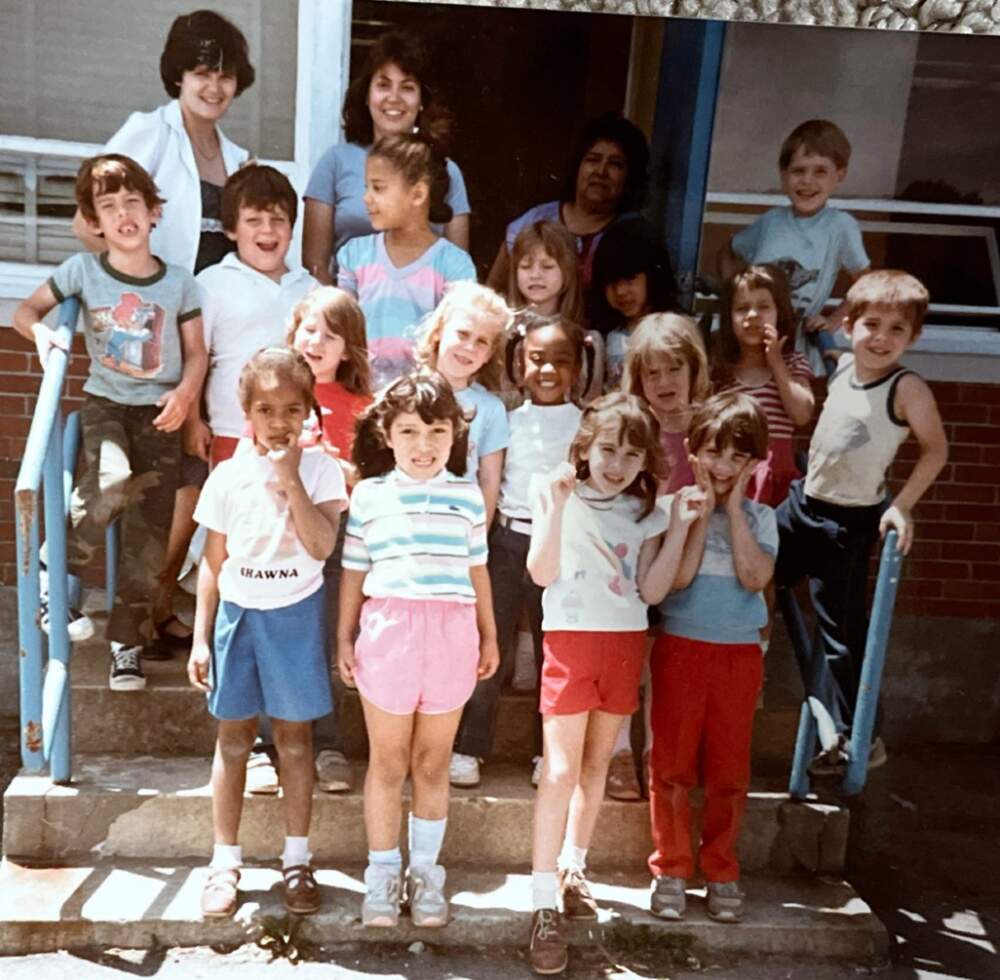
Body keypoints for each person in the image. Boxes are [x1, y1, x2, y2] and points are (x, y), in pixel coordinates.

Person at [72, 10, 256, 654]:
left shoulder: (237, 158)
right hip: (154, 344)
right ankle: (136, 605)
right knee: (161, 477)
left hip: (209, 336)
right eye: (203, 71)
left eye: (226, 74)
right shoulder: (146, 132)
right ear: (178, 73)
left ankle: (155, 602)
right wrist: (125, 304)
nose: (214, 85)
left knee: (194, 475)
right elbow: (90, 221)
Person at [14, 154, 207, 689]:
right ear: (94, 221)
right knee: (110, 483)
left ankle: (127, 643)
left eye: (133, 203)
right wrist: (43, 335)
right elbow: (25, 312)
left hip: (161, 413)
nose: (123, 214)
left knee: (149, 536)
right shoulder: (83, 271)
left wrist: (187, 395)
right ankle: (56, 572)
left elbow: (196, 353)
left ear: (153, 213)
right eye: (108, 206)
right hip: (106, 404)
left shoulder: (180, 284)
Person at [525, 393, 696, 976]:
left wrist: (678, 528)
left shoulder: (646, 510)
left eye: (630, 453)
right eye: (606, 449)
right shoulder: (559, 495)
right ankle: (541, 901)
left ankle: (575, 867)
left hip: (623, 642)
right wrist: (552, 506)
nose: (617, 464)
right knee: (560, 770)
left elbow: (651, 592)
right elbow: (541, 572)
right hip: (571, 640)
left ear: (645, 458)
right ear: (584, 449)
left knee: (597, 766)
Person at [187, 347, 346, 919]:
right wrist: (202, 636)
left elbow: (322, 545)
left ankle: (297, 860)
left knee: (296, 741)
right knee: (232, 741)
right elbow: (213, 561)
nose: (279, 422)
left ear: (309, 410)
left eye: (291, 409)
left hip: (295, 614)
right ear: (246, 412)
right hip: (240, 615)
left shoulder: (322, 469)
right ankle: (224, 861)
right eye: (265, 409)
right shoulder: (228, 475)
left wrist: (291, 478)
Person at [338, 372, 499, 929]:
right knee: (387, 762)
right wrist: (344, 634)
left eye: (436, 430)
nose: (424, 445)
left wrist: (490, 632)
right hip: (388, 633)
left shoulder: (468, 496)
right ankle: (382, 873)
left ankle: (426, 872)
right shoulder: (369, 495)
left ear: (456, 433)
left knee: (432, 763)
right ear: (386, 433)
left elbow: (477, 568)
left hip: (452, 635)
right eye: (409, 431)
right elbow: (355, 570)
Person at [775, 270, 947, 775]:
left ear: (913, 338)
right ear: (849, 325)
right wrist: (819, 327)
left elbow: (936, 449)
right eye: (871, 324)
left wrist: (903, 504)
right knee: (754, 567)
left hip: (847, 523)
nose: (882, 338)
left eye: (898, 330)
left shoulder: (906, 387)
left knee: (840, 634)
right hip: (802, 505)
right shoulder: (843, 364)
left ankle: (862, 736)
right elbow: (826, 342)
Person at [450, 313, 593, 790]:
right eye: (537, 360)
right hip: (508, 541)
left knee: (555, 650)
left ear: (578, 367)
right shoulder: (508, 419)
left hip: (561, 545)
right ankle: (469, 746)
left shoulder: (585, 425)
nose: (548, 370)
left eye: (561, 361)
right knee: (492, 644)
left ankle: (545, 750)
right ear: (518, 362)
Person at [648, 391, 775, 925]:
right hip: (681, 648)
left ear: (752, 464)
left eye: (737, 457)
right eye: (714, 453)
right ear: (694, 453)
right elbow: (678, 579)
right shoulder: (675, 508)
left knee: (728, 768)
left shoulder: (763, 517)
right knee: (672, 765)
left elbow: (754, 578)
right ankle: (671, 869)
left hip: (738, 656)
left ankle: (721, 869)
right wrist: (701, 512)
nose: (724, 466)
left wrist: (735, 509)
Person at [602, 313, 710, 802]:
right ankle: (621, 749)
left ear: (694, 370)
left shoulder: (707, 427)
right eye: (652, 373)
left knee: (669, 662)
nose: (664, 383)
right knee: (631, 654)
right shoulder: (633, 426)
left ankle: (658, 753)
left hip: (691, 556)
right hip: (635, 553)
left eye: (674, 370)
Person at [287, 287, 373, 794]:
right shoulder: (276, 389)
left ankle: (329, 744)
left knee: (328, 640)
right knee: (273, 635)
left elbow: (371, 477)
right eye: (308, 329)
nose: (316, 341)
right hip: (279, 535)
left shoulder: (362, 405)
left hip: (337, 537)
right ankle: (263, 746)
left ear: (349, 349)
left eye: (331, 335)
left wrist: (333, 466)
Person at [303, 30, 471, 283]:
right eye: (383, 85)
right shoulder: (335, 161)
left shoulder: (444, 170)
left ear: (422, 101)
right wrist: (341, 317)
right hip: (348, 311)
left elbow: (458, 272)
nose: (394, 98)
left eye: (407, 87)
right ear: (367, 95)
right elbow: (315, 264)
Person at [718, 119, 870, 373]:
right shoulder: (770, 221)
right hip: (751, 343)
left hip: (798, 350)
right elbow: (727, 252)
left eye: (820, 171)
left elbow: (865, 284)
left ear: (839, 174)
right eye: (798, 171)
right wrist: (736, 295)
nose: (807, 181)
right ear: (783, 175)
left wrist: (832, 321)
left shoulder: (841, 226)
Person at [196, 165, 317, 470]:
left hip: (298, 438)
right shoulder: (212, 283)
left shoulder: (310, 289)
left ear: (292, 228)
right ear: (231, 229)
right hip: (233, 434)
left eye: (278, 220)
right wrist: (190, 421)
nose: (267, 230)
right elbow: (193, 358)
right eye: (254, 221)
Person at [337, 132, 476, 391]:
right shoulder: (354, 255)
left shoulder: (454, 265)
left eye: (378, 188)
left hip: (423, 404)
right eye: (366, 187)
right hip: (361, 398)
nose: (366, 198)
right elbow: (341, 330)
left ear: (417, 194)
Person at [488, 113, 649, 307]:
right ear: (577, 166)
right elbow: (492, 292)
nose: (601, 172)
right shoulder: (535, 220)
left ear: (629, 177)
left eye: (615, 164)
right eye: (593, 160)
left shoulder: (633, 234)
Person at [712, 265, 814, 507]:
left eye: (764, 307)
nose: (752, 315)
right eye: (742, 308)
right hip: (730, 472)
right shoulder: (720, 370)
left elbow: (801, 414)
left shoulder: (792, 363)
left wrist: (776, 362)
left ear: (781, 312)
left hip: (776, 475)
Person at [414, 282, 511, 526]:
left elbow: (489, 481)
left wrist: (479, 544)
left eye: (482, 342)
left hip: (459, 526)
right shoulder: (406, 394)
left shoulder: (491, 409)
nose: (470, 347)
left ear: (490, 354)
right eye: (463, 334)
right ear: (438, 332)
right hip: (407, 522)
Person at [506, 220, 605, 401]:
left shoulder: (588, 342)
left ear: (567, 271)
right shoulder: (501, 332)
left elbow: (591, 405)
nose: (535, 275)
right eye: (526, 266)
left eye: (547, 266)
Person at [590, 218, 679, 390]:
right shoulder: (606, 335)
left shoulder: (677, 331)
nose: (620, 291)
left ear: (653, 276)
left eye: (630, 279)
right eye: (611, 282)